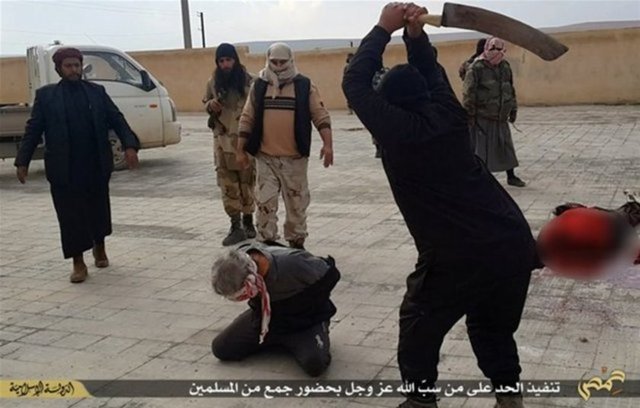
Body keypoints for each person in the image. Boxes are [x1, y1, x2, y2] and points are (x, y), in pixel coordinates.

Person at [342, 4, 538, 408]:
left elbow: (354, 84)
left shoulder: (397, 131)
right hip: (511, 241)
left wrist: (383, 28)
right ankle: (509, 398)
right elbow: (432, 74)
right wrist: (415, 36)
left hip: (456, 255)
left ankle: (420, 402)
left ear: (389, 106)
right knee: (492, 329)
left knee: (419, 324)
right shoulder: (450, 114)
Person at [14, 47, 140, 283]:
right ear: (59, 69)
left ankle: (99, 246)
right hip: (64, 168)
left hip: (95, 164)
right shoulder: (47, 96)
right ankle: (78, 262)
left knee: (98, 210)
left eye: (77, 65)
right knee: (70, 216)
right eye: (68, 66)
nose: (74, 70)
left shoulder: (96, 92)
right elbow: (33, 130)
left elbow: (117, 119)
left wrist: (130, 146)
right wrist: (23, 160)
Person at [237, 42, 334, 250]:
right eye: (274, 62)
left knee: (296, 205)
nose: (279, 66)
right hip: (266, 158)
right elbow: (247, 118)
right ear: (268, 60)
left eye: (283, 62)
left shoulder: (304, 86)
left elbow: (320, 115)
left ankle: (296, 244)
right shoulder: (259, 86)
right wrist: (240, 150)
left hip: (294, 160)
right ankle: (267, 245)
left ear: (291, 61)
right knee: (265, 204)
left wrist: (328, 145)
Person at [210, 242, 340, 377]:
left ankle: (313, 331)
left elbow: (332, 274)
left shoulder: (294, 263)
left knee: (315, 364)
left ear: (250, 280)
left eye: (242, 295)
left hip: (304, 321)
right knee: (221, 348)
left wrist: (304, 305)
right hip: (266, 318)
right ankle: (276, 340)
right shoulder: (240, 256)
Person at [203, 43, 257, 246]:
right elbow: (206, 102)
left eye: (229, 60)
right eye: (221, 61)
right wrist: (211, 105)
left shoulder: (250, 82)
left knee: (247, 183)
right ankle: (235, 225)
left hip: (244, 142)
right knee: (227, 184)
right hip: (222, 142)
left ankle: (248, 221)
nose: (225, 65)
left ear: (235, 60)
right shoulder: (213, 82)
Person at [462, 37, 526, 187]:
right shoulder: (476, 68)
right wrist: (470, 115)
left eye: (498, 49)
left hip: (501, 117)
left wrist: (513, 109)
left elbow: (510, 88)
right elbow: (468, 93)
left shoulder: (505, 66)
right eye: (492, 49)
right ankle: (482, 179)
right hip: (483, 117)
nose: (495, 52)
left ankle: (511, 176)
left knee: (506, 147)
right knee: (482, 151)